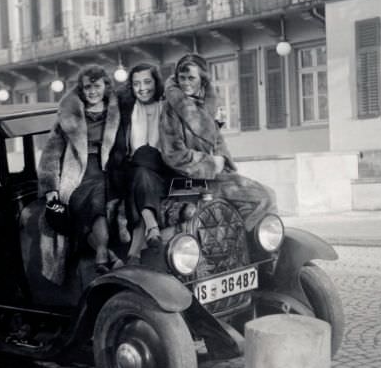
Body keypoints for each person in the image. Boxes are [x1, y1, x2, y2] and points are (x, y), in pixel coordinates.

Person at [160, 53, 276, 230]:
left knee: (260, 199)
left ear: (203, 79)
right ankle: (251, 245)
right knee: (264, 196)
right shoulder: (171, 108)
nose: (186, 83)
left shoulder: (207, 104)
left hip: (213, 176)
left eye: (191, 78)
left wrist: (221, 156)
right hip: (190, 180)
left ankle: (248, 243)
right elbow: (173, 154)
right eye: (182, 78)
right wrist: (212, 163)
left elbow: (217, 140)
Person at [38, 64, 121, 278]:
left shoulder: (118, 111)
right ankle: (105, 253)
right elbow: (51, 153)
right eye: (87, 88)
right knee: (89, 202)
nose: (92, 92)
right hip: (75, 172)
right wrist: (50, 189)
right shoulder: (70, 115)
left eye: (97, 86)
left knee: (100, 196)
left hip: (109, 170)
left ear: (106, 86)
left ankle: (104, 253)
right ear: (81, 90)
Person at [109, 62, 170, 263]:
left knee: (144, 156)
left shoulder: (168, 105)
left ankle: (134, 252)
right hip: (133, 170)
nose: (142, 88)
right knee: (140, 171)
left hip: (164, 167)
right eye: (136, 84)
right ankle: (151, 227)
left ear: (156, 82)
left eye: (147, 82)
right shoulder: (125, 108)